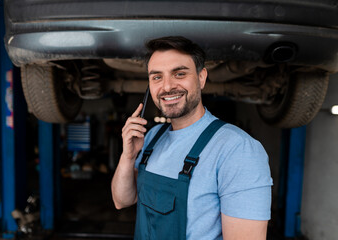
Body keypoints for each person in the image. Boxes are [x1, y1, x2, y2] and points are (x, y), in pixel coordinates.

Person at [111, 36, 273, 240]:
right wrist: (128, 156)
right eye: (157, 77)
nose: (167, 86)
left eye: (179, 73)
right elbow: (122, 200)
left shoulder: (238, 149)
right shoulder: (151, 137)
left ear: (202, 77)